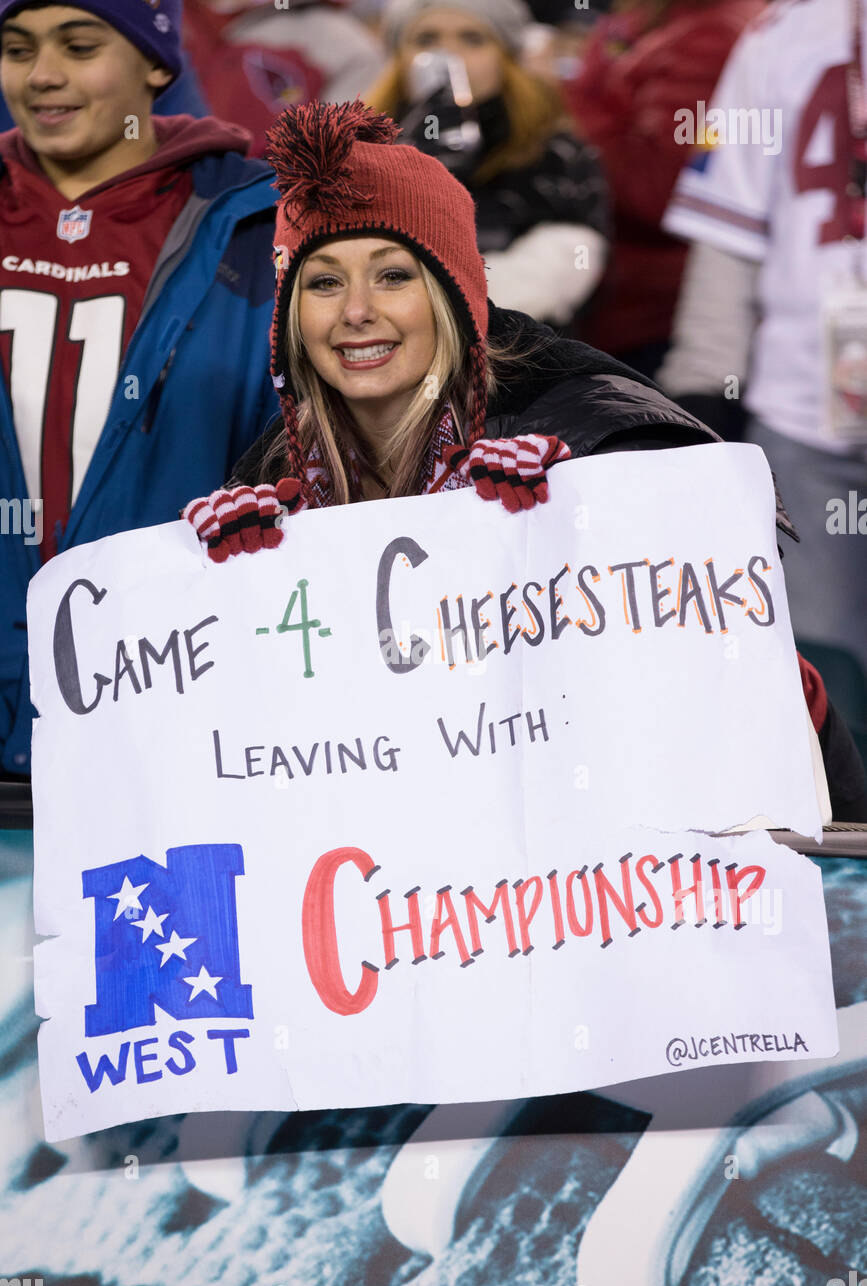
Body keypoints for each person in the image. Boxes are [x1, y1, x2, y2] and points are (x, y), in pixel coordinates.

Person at [182, 99, 867, 820]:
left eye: (392, 276)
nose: (355, 311)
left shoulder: (601, 443)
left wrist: (581, 526)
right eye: (323, 282)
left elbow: (753, 689)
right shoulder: (271, 484)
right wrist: (228, 595)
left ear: (454, 293)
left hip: (596, 888)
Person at [0, 0, 280, 777]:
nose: (42, 75)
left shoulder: (260, 224)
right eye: (17, 49)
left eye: (79, 45)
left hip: (169, 712)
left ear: (157, 62)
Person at [658, 0, 867, 697]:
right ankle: (847, 812)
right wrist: (699, 392)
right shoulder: (782, 33)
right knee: (817, 673)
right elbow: (727, 236)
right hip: (802, 407)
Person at [364, 0, 608, 328]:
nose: (449, 55)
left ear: (506, 55)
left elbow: (552, 278)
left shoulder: (553, 152)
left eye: (472, 39)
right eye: (426, 40)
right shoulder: (365, 150)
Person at [566, 0, 764, 375]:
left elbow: (661, 192)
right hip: (617, 308)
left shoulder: (713, 34)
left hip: (652, 322)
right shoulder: (647, 17)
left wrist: (567, 103)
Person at [183, 0, 386, 158]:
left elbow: (339, 156)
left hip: (277, 203)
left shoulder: (342, 44)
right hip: (188, 199)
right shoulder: (173, 24)